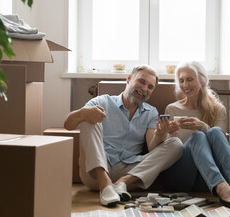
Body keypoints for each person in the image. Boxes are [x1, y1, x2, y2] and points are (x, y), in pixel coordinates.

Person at [64, 65, 183, 207]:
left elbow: (152, 147)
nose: (145, 89)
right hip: (96, 171)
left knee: (176, 144)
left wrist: (161, 133)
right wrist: (83, 113)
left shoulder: (151, 112)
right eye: (142, 82)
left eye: (150, 87)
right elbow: (68, 125)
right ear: (129, 79)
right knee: (88, 120)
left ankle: (122, 182)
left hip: (131, 175)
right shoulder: (102, 102)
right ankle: (105, 184)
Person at [162, 61, 230, 210]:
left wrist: (202, 126)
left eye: (190, 79)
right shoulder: (172, 108)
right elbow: (166, 152)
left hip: (208, 179)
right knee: (197, 137)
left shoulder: (217, 109)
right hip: (181, 176)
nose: (185, 85)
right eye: (181, 80)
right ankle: (224, 190)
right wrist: (171, 135)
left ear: (202, 80)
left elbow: (221, 144)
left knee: (214, 131)